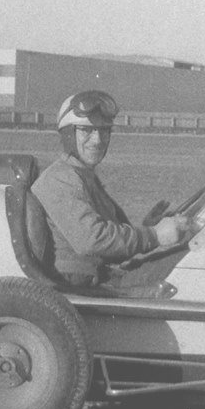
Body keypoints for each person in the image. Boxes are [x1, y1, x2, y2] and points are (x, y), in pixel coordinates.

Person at [31, 89, 189, 288]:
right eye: (87, 130)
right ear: (69, 135)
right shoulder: (59, 179)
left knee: (183, 260)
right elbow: (93, 240)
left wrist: (148, 226)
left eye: (104, 130)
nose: (98, 140)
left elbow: (110, 240)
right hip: (84, 286)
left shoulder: (82, 176)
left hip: (100, 277)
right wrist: (154, 235)